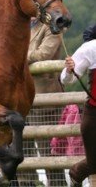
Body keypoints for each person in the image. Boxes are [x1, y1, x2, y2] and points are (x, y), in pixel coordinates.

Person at [20, 17, 66, 186]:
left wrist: (16, 56)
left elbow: (43, 54)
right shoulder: (20, 24)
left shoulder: (52, 27)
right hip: (20, 98)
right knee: (22, 150)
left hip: (44, 98)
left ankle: (58, 185)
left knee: (49, 153)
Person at [60, 39, 96, 187]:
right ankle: (75, 175)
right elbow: (66, 79)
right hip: (94, 115)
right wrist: (69, 70)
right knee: (93, 164)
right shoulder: (92, 48)